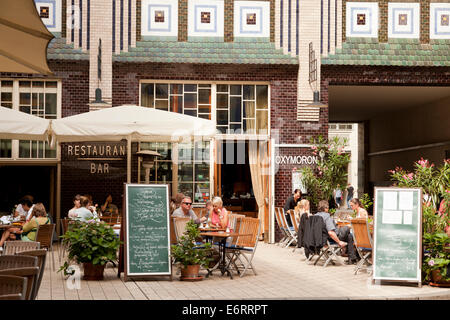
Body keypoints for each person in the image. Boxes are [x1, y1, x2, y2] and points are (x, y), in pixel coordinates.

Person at [315, 200, 359, 264]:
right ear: (325, 208)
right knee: (347, 228)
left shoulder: (316, 215)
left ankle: (352, 259)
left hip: (322, 238)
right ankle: (353, 257)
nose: (328, 209)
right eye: (328, 207)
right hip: (332, 237)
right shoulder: (326, 216)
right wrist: (339, 242)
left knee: (349, 236)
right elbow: (331, 232)